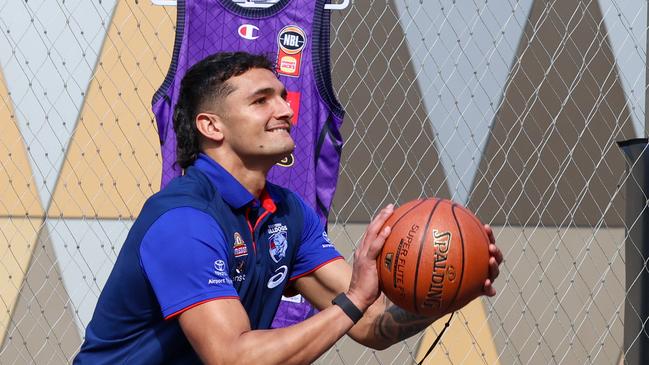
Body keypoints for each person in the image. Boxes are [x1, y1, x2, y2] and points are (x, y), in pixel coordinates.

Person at [74, 51, 503, 364]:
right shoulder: (183, 221)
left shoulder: (286, 213)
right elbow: (232, 358)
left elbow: (369, 324)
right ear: (211, 126)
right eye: (262, 100)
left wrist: (446, 287)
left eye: (283, 96)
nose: (285, 109)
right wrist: (353, 299)